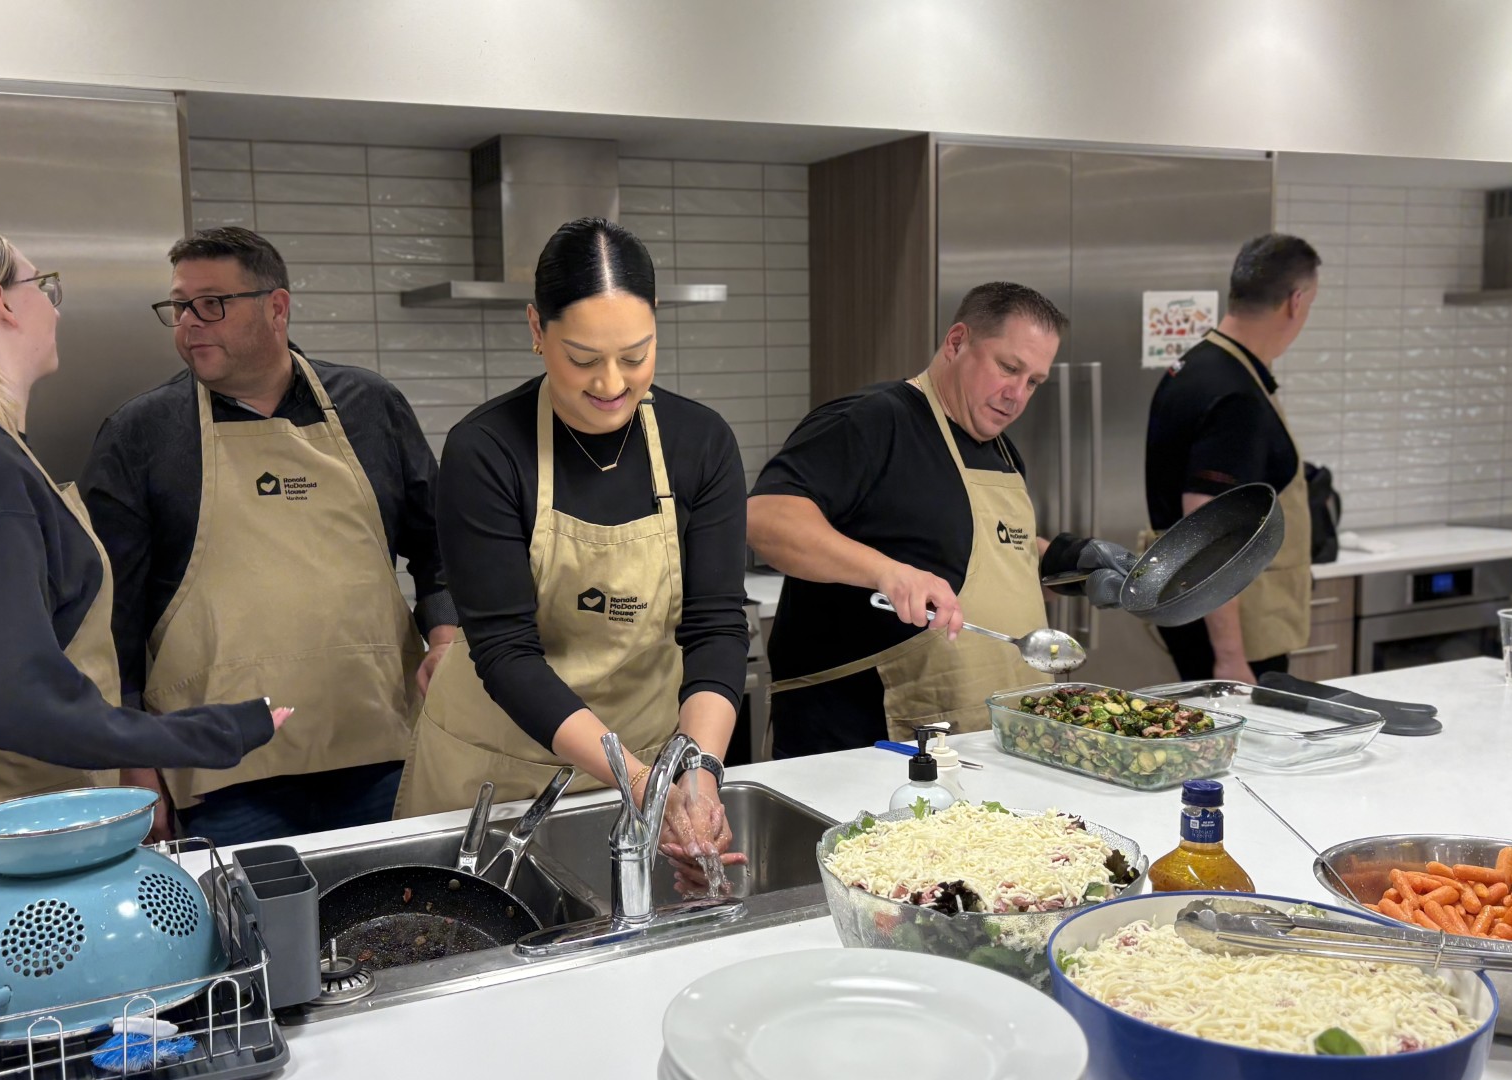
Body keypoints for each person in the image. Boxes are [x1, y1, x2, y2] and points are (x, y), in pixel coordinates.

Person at [0, 225, 287, 882]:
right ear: (1, 303)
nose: (53, 307)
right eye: (43, 286)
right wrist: (205, 734)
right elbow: (8, 695)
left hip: (1, 814)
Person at [394, 218, 748, 890]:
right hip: (491, 777)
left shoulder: (701, 443)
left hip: (642, 765)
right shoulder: (487, 451)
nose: (612, 383)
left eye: (636, 355)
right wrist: (643, 782)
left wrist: (696, 776)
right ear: (536, 328)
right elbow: (505, 651)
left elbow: (716, 626)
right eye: (583, 358)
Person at [80, 228, 452, 846]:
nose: (190, 323)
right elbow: (108, 621)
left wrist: (444, 636)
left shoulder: (372, 407)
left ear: (276, 307)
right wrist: (133, 764)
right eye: (179, 307)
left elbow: (441, 546)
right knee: (256, 939)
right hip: (223, 775)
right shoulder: (140, 434)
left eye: (211, 304)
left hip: (382, 751)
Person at [748, 283, 1131, 758]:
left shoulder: (1002, 450)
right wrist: (889, 573)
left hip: (979, 743)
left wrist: (1071, 562)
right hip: (865, 743)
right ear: (956, 342)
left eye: (1033, 381)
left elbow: (981, 545)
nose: (1016, 395)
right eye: (1008, 368)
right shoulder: (874, 421)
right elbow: (765, 517)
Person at [1144, 233, 1321, 683]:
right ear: (1296, 302)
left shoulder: (1197, 366)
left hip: (1193, 614)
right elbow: (1212, 530)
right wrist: (1230, 658)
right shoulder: (1236, 396)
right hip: (1237, 635)